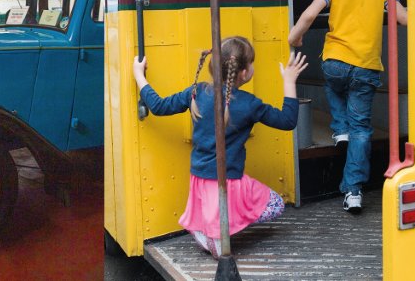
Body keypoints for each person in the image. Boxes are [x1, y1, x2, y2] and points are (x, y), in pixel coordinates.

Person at [132, 36, 308, 258]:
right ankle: (215, 237)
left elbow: (158, 106)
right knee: (276, 205)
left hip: (200, 178)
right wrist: (289, 81)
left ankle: (209, 231)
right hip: (228, 182)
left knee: (219, 213)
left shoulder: (196, 93)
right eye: (251, 63)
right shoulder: (249, 103)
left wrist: (139, 75)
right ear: (243, 73)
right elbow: (287, 121)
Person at [287, 0, 408, 214]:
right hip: (366, 66)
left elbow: (309, 14)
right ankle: (353, 191)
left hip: (335, 62)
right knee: (362, 128)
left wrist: (295, 37)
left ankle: (339, 129)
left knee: (333, 87)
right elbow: (402, 18)